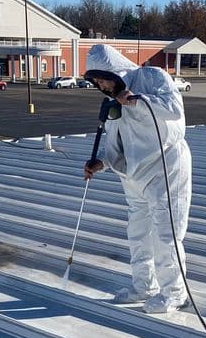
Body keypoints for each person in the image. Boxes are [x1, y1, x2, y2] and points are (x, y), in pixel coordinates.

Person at [82, 44, 192, 314]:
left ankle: (175, 292)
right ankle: (143, 286)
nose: (100, 85)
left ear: (114, 71)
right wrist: (102, 163)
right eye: (96, 82)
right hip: (132, 174)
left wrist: (136, 100)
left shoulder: (152, 78)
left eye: (102, 78)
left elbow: (174, 109)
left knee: (166, 232)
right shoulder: (111, 103)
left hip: (166, 164)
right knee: (138, 233)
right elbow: (118, 141)